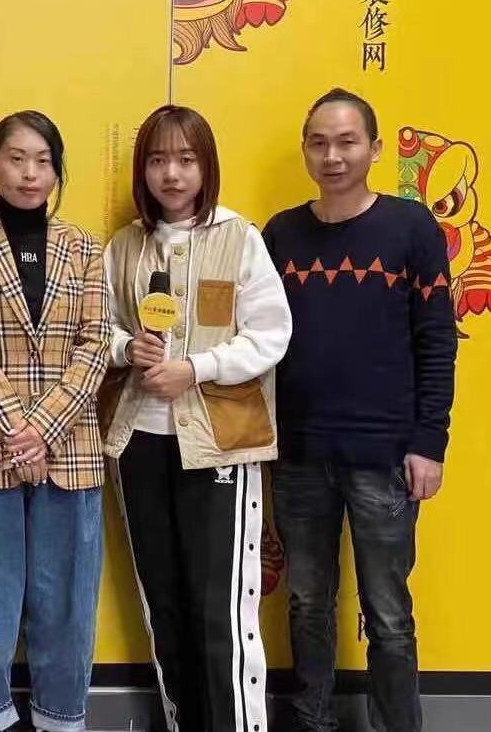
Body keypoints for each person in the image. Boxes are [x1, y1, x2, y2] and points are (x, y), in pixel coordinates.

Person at [262, 88, 456, 732]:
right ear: (305, 150)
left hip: (388, 456)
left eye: (347, 142)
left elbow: (437, 340)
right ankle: (312, 721)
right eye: (319, 143)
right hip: (299, 454)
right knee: (307, 603)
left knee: (389, 614)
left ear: (374, 149)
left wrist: (429, 442)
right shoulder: (280, 234)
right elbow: (260, 340)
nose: (333, 156)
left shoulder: (412, 228)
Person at [101, 104, 291, 732]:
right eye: (158, 160)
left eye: (186, 159)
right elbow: (97, 328)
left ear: (206, 166)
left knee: (221, 614)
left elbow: (271, 334)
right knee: (164, 605)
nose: (172, 174)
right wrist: (127, 349)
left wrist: (196, 367)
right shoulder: (125, 245)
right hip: (140, 444)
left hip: (220, 449)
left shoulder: (240, 237)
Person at [0, 110, 111, 732]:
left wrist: (44, 432)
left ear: (57, 170)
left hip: (71, 450)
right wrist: (18, 433)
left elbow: (96, 344)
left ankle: (61, 716)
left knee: (68, 601)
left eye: (43, 161)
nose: (29, 173)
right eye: (16, 158)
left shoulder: (86, 248)